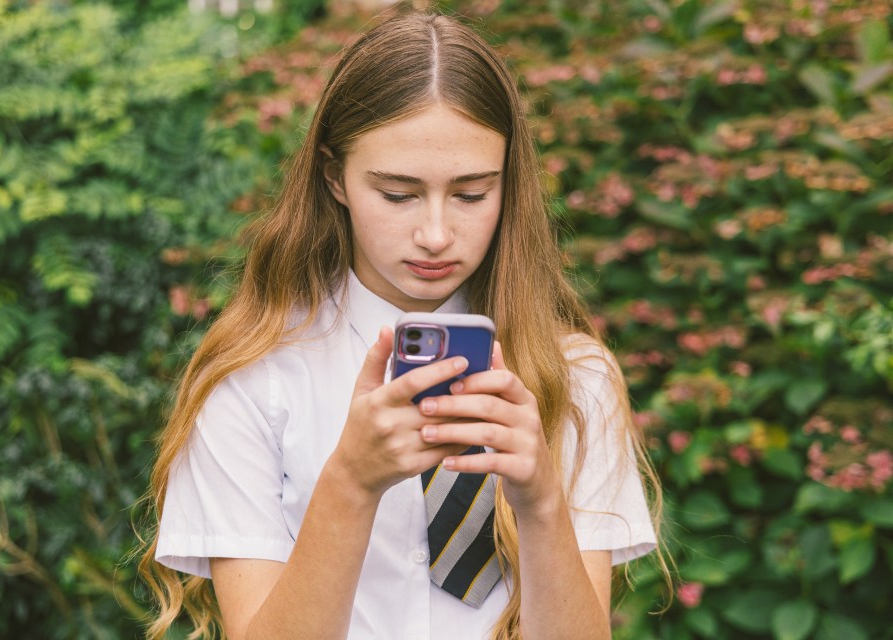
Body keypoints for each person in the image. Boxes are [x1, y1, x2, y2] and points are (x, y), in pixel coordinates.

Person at [137, 8, 661, 640]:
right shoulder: (254, 378)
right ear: (335, 176)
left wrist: (541, 501)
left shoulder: (576, 378)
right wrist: (351, 484)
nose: (436, 234)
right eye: (397, 193)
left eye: (471, 194)